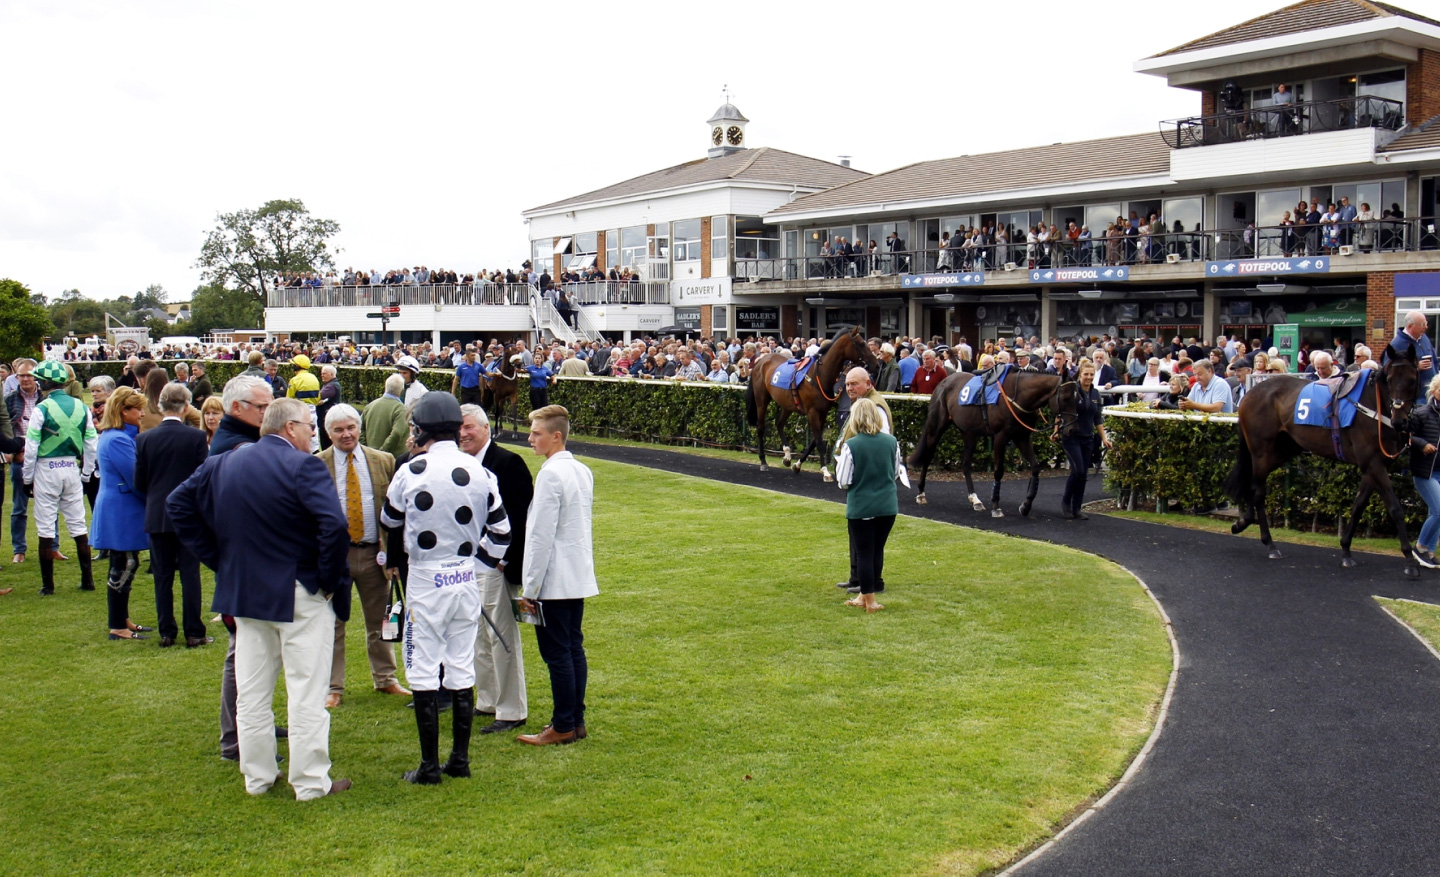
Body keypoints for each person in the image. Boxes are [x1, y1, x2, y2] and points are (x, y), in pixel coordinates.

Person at [168, 397, 352, 801]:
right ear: (289, 428)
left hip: (248, 592)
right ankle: (309, 782)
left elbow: (178, 504)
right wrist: (324, 580)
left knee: (252, 692)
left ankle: (257, 777)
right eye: (308, 425)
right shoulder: (302, 465)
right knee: (305, 690)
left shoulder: (223, 462)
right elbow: (334, 526)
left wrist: (223, 561)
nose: (312, 432)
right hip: (298, 591)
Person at [381, 393, 511, 782]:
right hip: (464, 580)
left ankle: (428, 767)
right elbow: (502, 533)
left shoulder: (411, 469)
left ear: (419, 429)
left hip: (425, 578)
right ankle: (460, 760)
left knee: (423, 668)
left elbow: (389, 519)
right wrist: (474, 565)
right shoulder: (482, 473)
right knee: (460, 664)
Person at [317, 403, 409, 708]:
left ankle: (386, 679)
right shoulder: (317, 465)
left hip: (374, 555)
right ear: (328, 433)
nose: (347, 434)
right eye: (339, 430)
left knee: (382, 621)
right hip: (335, 558)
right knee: (332, 624)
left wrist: (394, 556)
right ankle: (333, 686)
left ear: (360, 428)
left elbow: (397, 512)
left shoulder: (384, 461)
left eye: (351, 427)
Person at [517, 405, 598, 747]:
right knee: (572, 649)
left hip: (553, 579)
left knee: (558, 654)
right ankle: (574, 720)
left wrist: (530, 588)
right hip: (575, 574)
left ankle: (564, 723)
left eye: (536, 434)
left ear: (556, 436)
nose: (530, 439)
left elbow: (540, 536)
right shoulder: (581, 470)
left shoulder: (552, 474)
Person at [459, 404, 533, 734]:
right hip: (467, 564)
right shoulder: (460, 464)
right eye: (459, 428)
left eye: (469, 427)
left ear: (486, 428)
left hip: (496, 565)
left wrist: (504, 560)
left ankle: (511, 709)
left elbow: (519, 517)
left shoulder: (508, 463)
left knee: (500, 636)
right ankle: (487, 699)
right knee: (476, 635)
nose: (463, 433)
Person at [134, 382, 212, 649]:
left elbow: (140, 481)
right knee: (190, 574)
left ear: (160, 405)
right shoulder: (195, 437)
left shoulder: (144, 439)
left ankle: (167, 631)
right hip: (188, 514)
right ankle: (194, 631)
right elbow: (204, 479)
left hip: (157, 513)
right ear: (186, 406)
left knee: (162, 575)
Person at [23, 359, 98, 595]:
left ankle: (48, 586)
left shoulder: (41, 408)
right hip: (71, 469)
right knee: (77, 523)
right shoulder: (82, 406)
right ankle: (88, 580)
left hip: (46, 469)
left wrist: (27, 479)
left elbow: (32, 446)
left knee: (46, 526)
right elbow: (91, 444)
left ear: (44, 382)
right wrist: (86, 473)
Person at [91, 387, 151, 638]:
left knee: (126, 561)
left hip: (121, 506)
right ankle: (116, 625)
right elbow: (136, 477)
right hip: (120, 509)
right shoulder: (116, 439)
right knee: (124, 563)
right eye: (138, 409)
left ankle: (122, 620)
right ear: (124, 410)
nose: (142, 414)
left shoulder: (117, 436)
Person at [835, 398, 902, 613]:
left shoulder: (851, 446)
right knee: (876, 550)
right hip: (887, 505)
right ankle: (865, 596)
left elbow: (843, 480)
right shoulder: (892, 441)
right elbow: (895, 471)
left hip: (862, 505)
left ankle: (870, 599)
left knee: (864, 553)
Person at [1057, 361, 1111, 520]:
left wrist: (1104, 439)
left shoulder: (1095, 394)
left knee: (1083, 473)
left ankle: (1077, 508)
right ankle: (1066, 502)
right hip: (1071, 436)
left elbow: (1097, 418)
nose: (1088, 377)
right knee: (1078, 470)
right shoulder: (1073, 392)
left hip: (1088, 438)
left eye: (1091, 375)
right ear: (1080, 375)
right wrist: (1055, 430)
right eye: (1086, 374)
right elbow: (1062, 411)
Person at [1408, 375, 1440, 569]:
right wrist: (1422, 444)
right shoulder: (1421, 413)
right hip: (1425, 471)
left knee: (1435, 513)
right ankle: (1419, 547)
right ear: (1434, 390)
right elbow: (1408, 437)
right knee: (1439, 511)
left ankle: (1430, 552)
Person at [361, 374, 411, 459]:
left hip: (369, 458)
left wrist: (366, 451)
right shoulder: (401, 409)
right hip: (392, 460)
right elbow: (397, 434)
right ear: (402, 391)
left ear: (385, 387)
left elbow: (360, 430)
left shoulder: (369, 406)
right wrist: (382, 453)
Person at [1392, 311, 1436, 402]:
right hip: (1415, 400)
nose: (1426, 327)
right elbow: (1391, 373)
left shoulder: (1424, 338)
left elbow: (1434, 361)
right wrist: (1415, 367)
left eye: (1426, 323)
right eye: (1422, 325)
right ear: (1410, 326)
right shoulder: (1396, 345)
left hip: (1433, 396)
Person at [315, 365, 342, 451]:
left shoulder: (331, 386)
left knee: (326, 444)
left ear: (331, 374)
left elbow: (318, 397)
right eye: (321, 373)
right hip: (327, 417)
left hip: (327, 418)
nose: (322, 375)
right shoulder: (331, 384)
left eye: (324, 374)